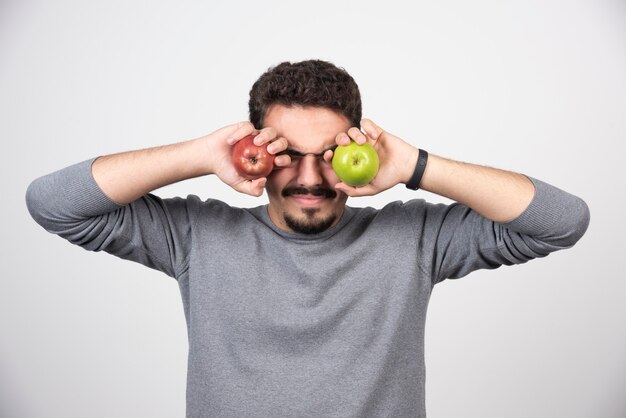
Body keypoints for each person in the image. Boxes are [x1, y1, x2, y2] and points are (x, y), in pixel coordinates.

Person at [26, 59, 590, 418]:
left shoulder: (415, 239)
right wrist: (199, 155)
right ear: (257, 150)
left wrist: (415, 165)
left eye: (329, 155)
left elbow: (563, 220)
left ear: (361, 151)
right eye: (289, 155)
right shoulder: (196, 236)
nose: (311, 177)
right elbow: (53, 204)